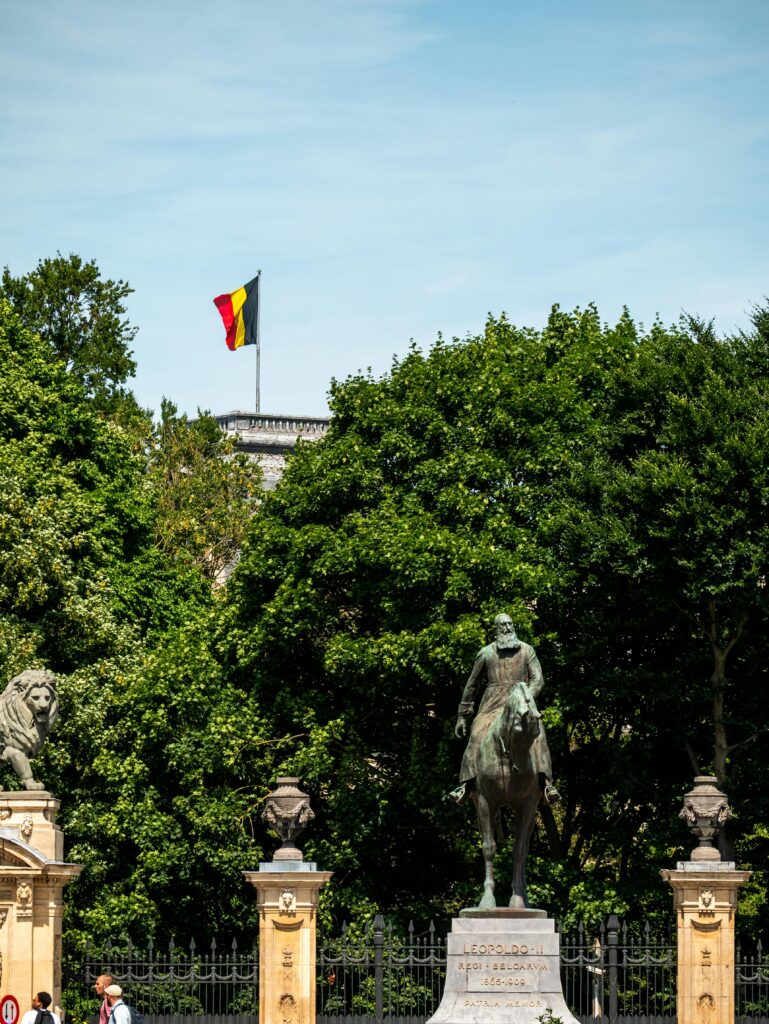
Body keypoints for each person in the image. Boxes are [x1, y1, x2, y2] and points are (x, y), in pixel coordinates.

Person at [450, 613, 560, 805]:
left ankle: (546, 782)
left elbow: (538, 679)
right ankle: (466, 784)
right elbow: (472, 685)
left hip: (522, 702)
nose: (508, 628)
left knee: (538, 733)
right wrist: (462, 715)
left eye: (510, 624)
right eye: (503, 625)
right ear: (497, 629)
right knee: (477, 734)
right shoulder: (485, 653)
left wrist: (524, 698)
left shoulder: (527, 650)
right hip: (492, 704)